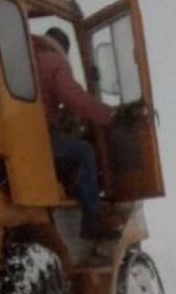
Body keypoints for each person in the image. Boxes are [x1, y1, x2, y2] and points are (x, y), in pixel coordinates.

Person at [32, 27, 121, 240]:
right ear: (63, 47)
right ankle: (91, 218)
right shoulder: (54, 60)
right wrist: (107, 114)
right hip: (39, 140)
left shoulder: (25, 55)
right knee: (84, 151)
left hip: (22, 136)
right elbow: (74, 98)